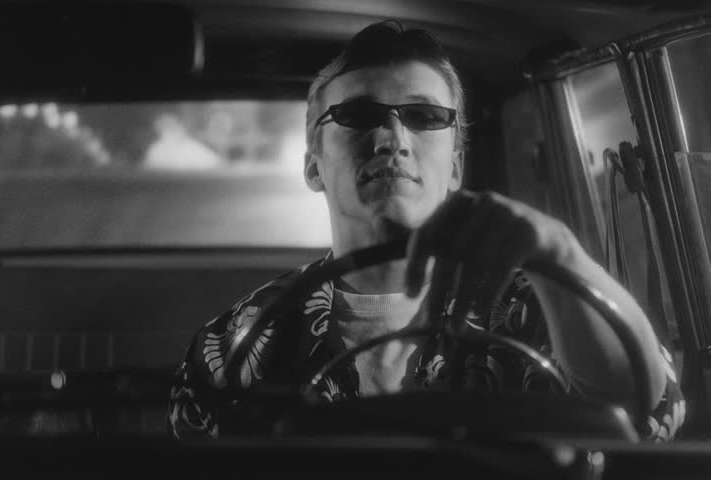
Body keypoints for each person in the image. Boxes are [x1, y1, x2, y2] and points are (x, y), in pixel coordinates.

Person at [167, 20, 684, 441]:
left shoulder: (538, 303)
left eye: (424, 116)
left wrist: (563, 256)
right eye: (357, 114)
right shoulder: (238, 340)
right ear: (313, 167)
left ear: (456, 168)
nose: (392, 136)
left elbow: (649, 411)